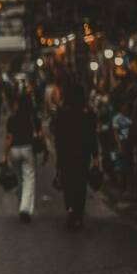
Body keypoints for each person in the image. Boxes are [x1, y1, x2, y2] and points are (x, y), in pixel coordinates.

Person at [52, 83, 99, 229]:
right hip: (83, 153)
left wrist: (58, 156)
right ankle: (78, 214)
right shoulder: (88, 114)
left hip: (66, 153)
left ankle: (70, 208)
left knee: (68, 183)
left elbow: (57, 136)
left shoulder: (61, 113)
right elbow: (92, 136)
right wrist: (95, 156)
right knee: (80, 183)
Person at [2, 93, 44, 223]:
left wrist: (4, 155)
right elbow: (41, 135)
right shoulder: (34, 118)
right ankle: (25, 208)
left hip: (14, 151)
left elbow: (9, 138)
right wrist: (46, 150)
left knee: (19, 178)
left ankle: (22, 203)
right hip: (28, 150)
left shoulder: (12, 119)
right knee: (29, 179)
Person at [112, 101, 133, 193]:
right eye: (124, 105)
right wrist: (119, 144)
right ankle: (120, 188)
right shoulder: (116, 118)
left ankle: (127, 188)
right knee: (120, 167)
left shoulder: (127, 117)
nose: (126, 107)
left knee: (127, 165)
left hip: (128, 143)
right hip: (120, 142)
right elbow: (115, 132)